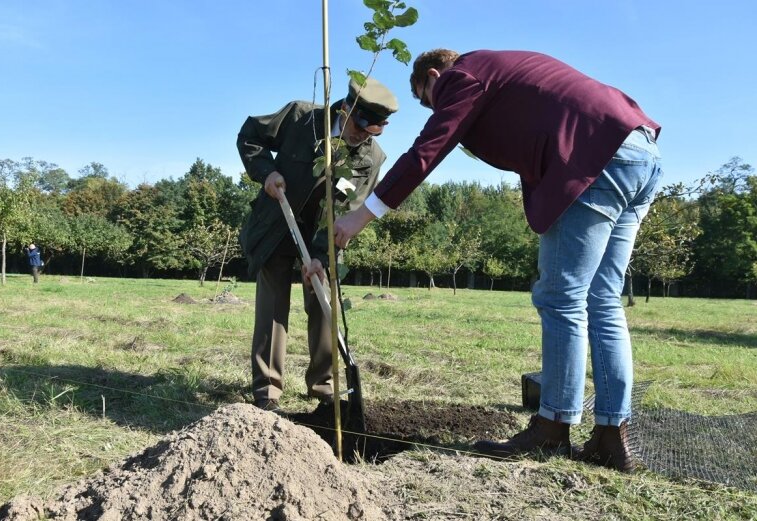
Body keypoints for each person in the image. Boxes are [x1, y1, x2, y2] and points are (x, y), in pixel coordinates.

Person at [333, 49, 663, 473]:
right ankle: (610, 436)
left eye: (426, 98)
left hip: (596, 156)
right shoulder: (505, 70)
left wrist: (362, 215)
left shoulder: (463, 76)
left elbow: (426, 151)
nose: (435, 108)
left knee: (562, 296)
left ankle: (553, 427)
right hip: (640, 150)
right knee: (602, 299)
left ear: (435, 75)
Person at [237, 77, 399, 411]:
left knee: (323, 304)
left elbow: (350, 209)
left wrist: (321, 257)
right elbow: (249, 136)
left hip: (324, 236)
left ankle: (324, 387)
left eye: (372, 131)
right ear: (345, 108)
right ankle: (267, 392)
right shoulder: (302, 119)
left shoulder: (372, 158)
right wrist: (265, 171)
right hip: (277, 225)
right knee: (272, 309)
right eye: (359, 125)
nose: (361, 135)